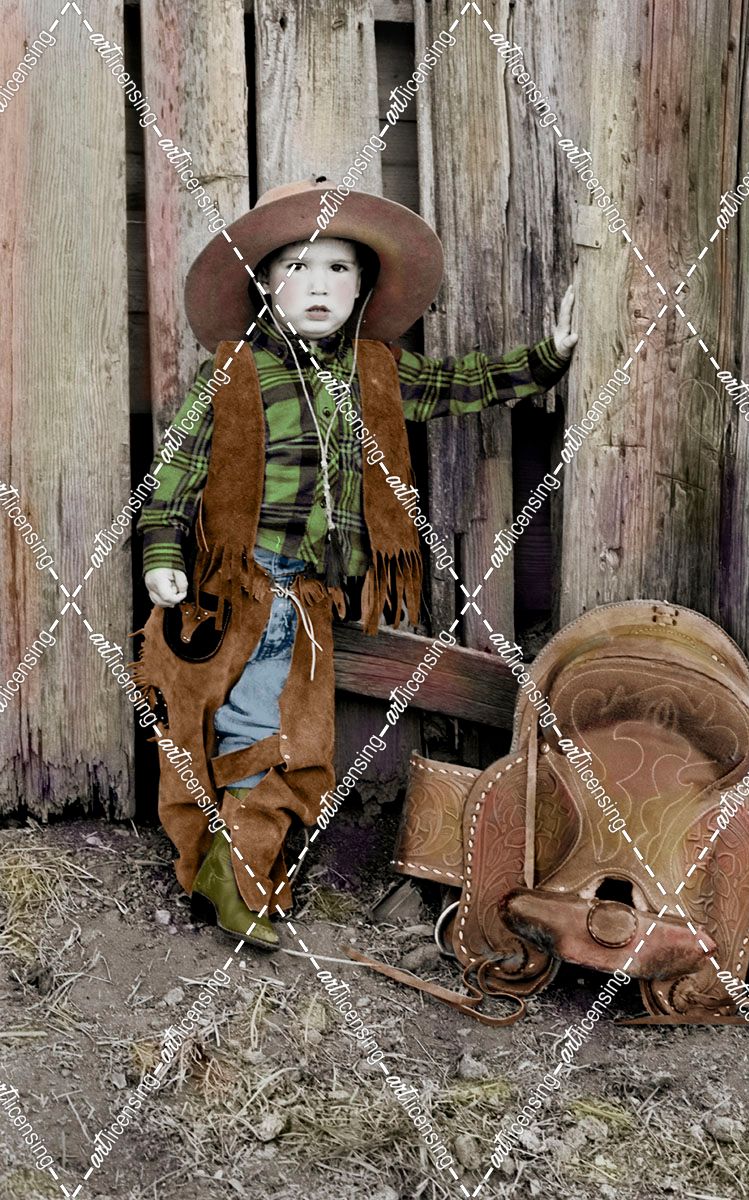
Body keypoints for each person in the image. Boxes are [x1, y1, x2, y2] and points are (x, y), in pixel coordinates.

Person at [132, 173, 578, 950]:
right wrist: (163, 552)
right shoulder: (234, 373)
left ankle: (236, 866)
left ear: (362, 288)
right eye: (297, 267)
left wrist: (549, 358)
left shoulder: (375, 374)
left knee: (296, 732)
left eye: (337, 268)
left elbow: (461, 385)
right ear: (265, 285)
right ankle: (239, 874)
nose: (317, 284)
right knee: (246, 716)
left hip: (311, 593)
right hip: (239, 584)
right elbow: (179, 471)